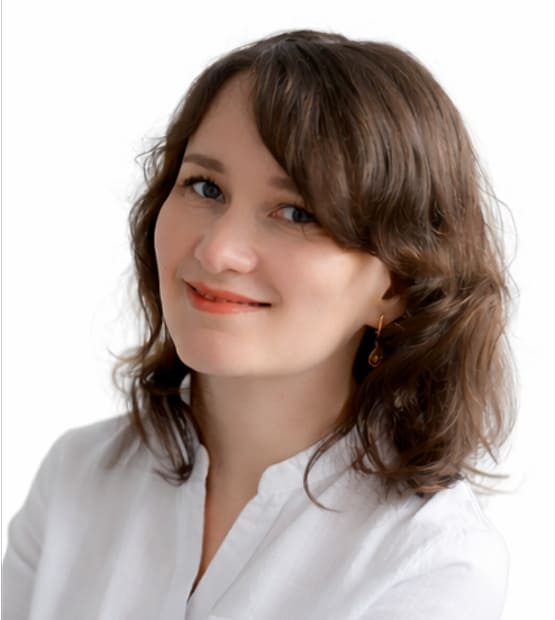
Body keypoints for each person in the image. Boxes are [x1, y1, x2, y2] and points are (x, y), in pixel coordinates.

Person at [2, 29, 515, 619]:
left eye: (296, 212)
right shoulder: (75, 477)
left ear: (397, 284)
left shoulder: (430, 560)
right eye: (205, 187)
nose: (218, 250)